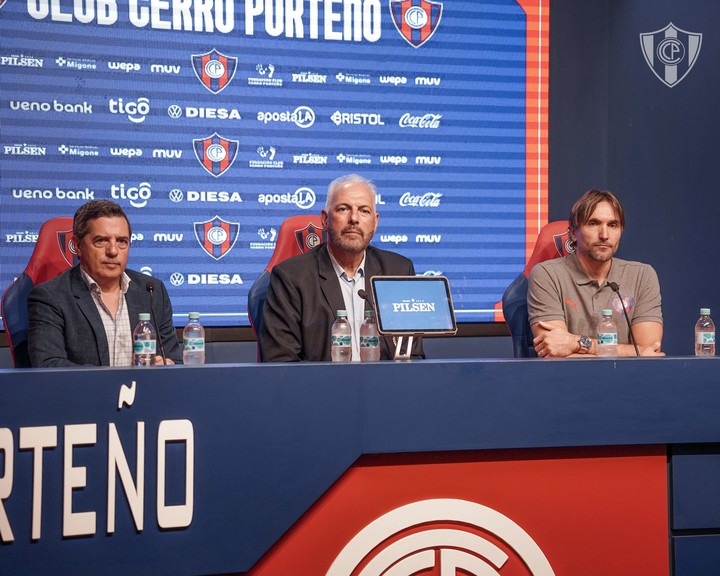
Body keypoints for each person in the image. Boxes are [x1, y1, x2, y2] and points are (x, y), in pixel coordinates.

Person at [259, 174, 425, 362]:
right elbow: (280, 362)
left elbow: (412, 355)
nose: (354, 218)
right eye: (343, 209)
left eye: (364, 211)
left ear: (375, 222)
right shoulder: (291, 277)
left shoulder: (398, 271)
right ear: (325, 219)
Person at [28, 200, 181, 367]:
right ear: (77, 246)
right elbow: (48, 365)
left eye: (122, 241)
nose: (113, 251)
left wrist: (166, 364)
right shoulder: (51, 297)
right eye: (101, 240)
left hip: (146, 391)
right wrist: (110, 383)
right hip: (84, 393)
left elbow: (174, 359)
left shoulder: (151, 291)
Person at [527, 189, 663, 358]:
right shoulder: (546, 275)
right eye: (593, 223)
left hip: (628, 382)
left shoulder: (643, 275)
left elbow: (649, 352)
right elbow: (555, 354)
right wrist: (630, 352)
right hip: (567, 382)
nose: (604, 235)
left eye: (612, 225)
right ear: (572, 233)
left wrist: (578, 344)